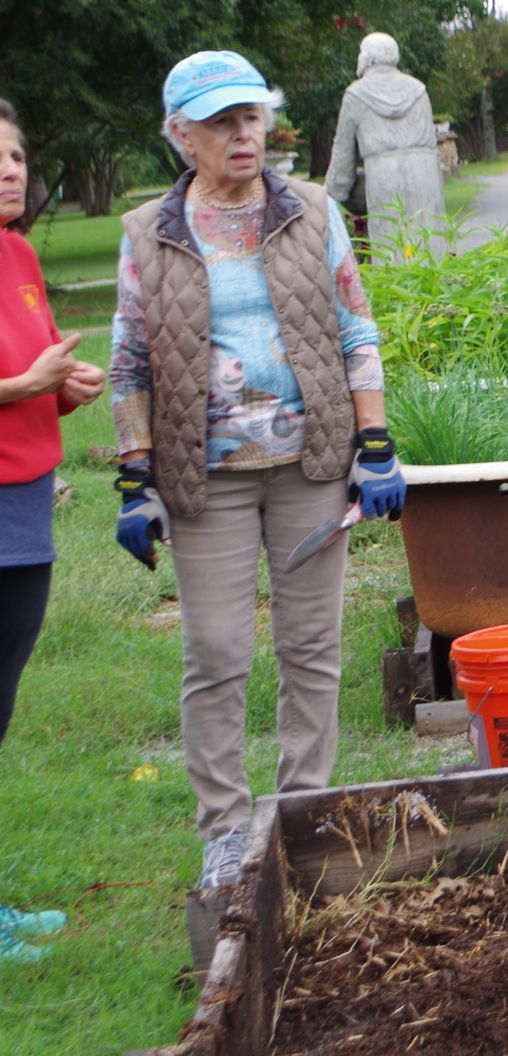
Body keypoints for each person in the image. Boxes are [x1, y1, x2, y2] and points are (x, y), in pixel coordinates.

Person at [109, 51, 407, 894]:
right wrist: (136, 477)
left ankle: (306, 814)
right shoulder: (148, 233)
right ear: (181, 136)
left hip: (311, 462)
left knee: (312, 647)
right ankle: (224, 831)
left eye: (251, 116)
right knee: (216, 650)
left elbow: (356, 328)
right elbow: (129, 362)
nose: (242, 134)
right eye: (219, 122)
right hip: (205, 476)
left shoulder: (311, 211)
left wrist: (375, 441)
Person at [0, 98, 103, 963]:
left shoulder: (21, 254)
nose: (10, 169)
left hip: (27, 498)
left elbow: (26, 368)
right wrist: (23, 382)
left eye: (17, 156)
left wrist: (58, 386)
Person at [323, 32, 445, 256]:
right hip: (425, 177)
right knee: (431, 249)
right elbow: (431, 145)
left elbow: (343, 161)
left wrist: (329, 197)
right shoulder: (419, 91)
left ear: (368, 58)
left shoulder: (356, 94)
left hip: (383, 178)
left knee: (391, 251)